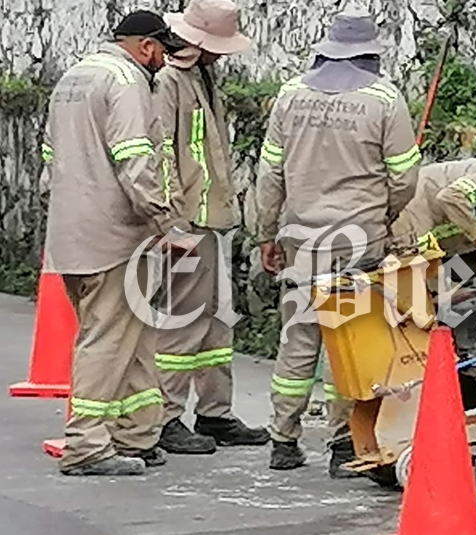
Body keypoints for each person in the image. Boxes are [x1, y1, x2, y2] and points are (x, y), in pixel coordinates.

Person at [255, 10, 420, 472]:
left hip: (300, 239)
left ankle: (283, 440)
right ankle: (343, 443)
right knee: (349, 342)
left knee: (298, 338)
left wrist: (266, 233)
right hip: (359, 241)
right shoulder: (385, 100)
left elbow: (270, 175)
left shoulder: (290, 95)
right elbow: (406, 178)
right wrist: (384, 215)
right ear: (370, 54)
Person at [42, 11, 193, 476]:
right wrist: (165, 223)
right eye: (163, 52)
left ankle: (136, 434)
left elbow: (49, 158)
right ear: (146, 47)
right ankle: (86, 446)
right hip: (114, 238)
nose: (165, 61)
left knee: (134, 338)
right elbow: (136, 162)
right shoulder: (127, 82)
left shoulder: (73, 77)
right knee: (106, 339)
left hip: (72, 233)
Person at [152, 0, 270, 454]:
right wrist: (171, 221)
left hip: (212, 217)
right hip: (186, 220)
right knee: (182, 321)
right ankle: (165, 417)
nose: (222, 54)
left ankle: (215, 412)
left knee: (218, 322)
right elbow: (161, 151)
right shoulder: (169, 80)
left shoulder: (202, 74)